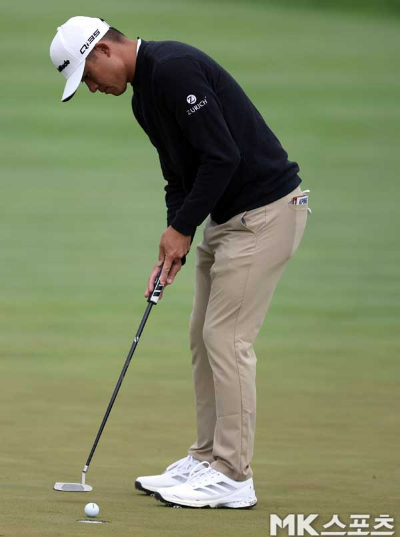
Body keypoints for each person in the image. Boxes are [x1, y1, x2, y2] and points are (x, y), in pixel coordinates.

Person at [50, 16, 309, 509]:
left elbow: (222, 156)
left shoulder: (172, 68)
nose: (91, 88)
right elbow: (179, 177)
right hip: (229, 221)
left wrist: (183, 229)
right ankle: (207, 457)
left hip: (264, 215)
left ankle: (233, 475)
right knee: (202, 336)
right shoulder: (143, 98)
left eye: (87, 77)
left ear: (103, 50)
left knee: (227, 339)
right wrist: (175, 238)